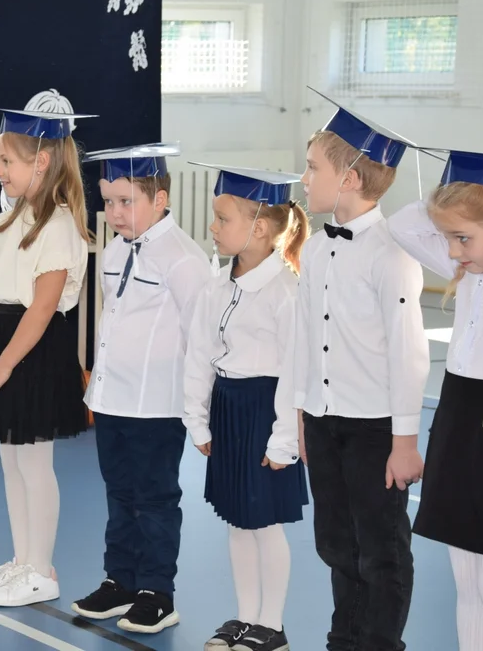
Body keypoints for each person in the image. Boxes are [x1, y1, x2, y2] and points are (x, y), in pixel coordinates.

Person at [295, 90, 429, 651]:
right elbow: (306, 340)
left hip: (375, 428)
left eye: (313, 168)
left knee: (381, 550)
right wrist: (303, 416)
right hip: (324, 421)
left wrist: (405, 441)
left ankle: (378, 643)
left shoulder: (391, 254)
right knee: (336, 544)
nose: (304, 179)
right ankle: (343, 639)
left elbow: (408, 352)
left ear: (349, 178)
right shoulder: (315, 250)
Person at [72, 144, 210, 634]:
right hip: (112, 401)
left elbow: (200, 338)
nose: (114, 212)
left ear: (160, 199)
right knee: (119, 495)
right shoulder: (114, 251)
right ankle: (121, 581)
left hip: (156, 406)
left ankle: (157, 591)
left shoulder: (184, 260)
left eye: (126, 202)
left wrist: (198, 409)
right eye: (108, 201)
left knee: (154, 500)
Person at [0, 108, 92, 607]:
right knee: (10, 461)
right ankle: (22, 559)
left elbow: (40, 310)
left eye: (6, 162)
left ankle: (41, 569)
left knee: (35, 465)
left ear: (40, 162)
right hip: (1, 347)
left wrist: (5, 364)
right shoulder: (7, 220)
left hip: (32, 354)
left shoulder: (58, 226)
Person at [183, 165, 310, 651]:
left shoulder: (286, 292)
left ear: (258, 228)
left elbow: (293, 373)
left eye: (222, 218)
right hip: (228, 408)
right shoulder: (217, 284)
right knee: (237, 518)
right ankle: (244, 616)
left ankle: (271, 625)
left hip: (265, 412)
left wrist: (283, 440)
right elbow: (199, 353)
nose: (212, 227)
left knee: (265, 523)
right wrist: (197, 419)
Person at [387, 149, 483, 651]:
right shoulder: (470, 266)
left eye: (463, 238)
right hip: (459, 413)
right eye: (450, 238)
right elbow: (402, 224)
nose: (454, 252)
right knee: (467, 577)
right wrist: (456, 188)